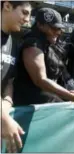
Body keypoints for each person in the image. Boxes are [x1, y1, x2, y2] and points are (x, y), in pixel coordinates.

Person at [13, 8, 74, 106]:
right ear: (40, 25)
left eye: (59, 28)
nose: (58, 32)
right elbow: (40, 80)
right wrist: (72, 96)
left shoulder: (51, 46)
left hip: (47, 101)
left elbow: (66, 77)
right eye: (54, 28)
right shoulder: (32, 44)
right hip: (31, 105)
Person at [1, 1, 32, 152]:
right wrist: (3, 117)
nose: (28, 20)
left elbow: (8, 82)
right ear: (7, 6)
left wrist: (6, 103)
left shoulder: (13, 43)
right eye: (24, 12)